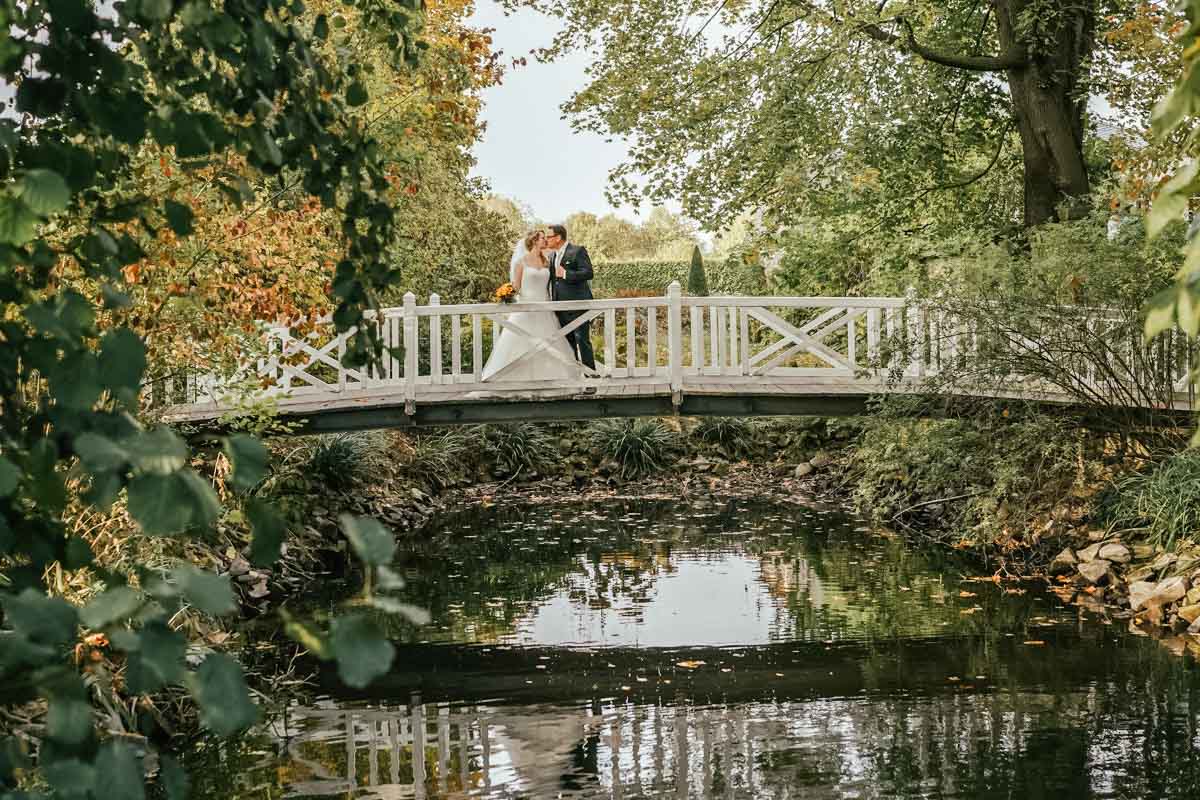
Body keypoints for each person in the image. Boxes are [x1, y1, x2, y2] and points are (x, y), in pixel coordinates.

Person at [480, 229, 584, 383]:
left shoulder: (547, 262)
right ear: (534, 241)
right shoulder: (521, 262)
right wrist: (505, 292)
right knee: (520, 343)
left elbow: (555, 283)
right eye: (542, 238)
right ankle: (509, 380)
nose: (545, 240)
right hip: (525, 309)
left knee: (549, 344)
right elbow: (516, 286)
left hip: (545, 309)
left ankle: (553, 379)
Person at [544, 224, 596, 370]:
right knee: (567, 345)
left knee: (583, 343)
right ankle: (574, 378)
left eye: (549, 237)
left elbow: (588, 273)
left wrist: (566, 274)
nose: (547, 240)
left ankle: (590, 378)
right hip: (559, 308)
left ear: (558, 237)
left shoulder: (577, 251)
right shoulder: (551, 255)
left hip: (578, 306)